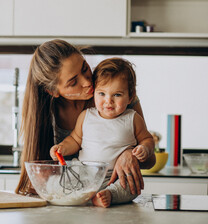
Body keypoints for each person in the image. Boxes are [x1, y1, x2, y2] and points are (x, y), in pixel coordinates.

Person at [15, 39, 155, 196]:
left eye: (85, 68)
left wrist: (129, 153)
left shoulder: (115, 93)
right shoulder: (47, 115)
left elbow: (150, 160)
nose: (88, 82)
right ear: (53, 91)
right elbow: (43, 177)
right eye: (73, 82)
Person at [50, 57, 155, 207]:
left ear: (130, 96)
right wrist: (62, 147)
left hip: (115, 176)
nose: (108, 101)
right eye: (102, 94)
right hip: (84, 172)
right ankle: (81, 193)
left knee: (130, 187)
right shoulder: (86, 116)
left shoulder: (132, 118)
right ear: (94, 93)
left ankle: (109, 195)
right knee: (57, 182)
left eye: (117, 95)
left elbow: (147, 139)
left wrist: (144, 148)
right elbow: (74, 140)